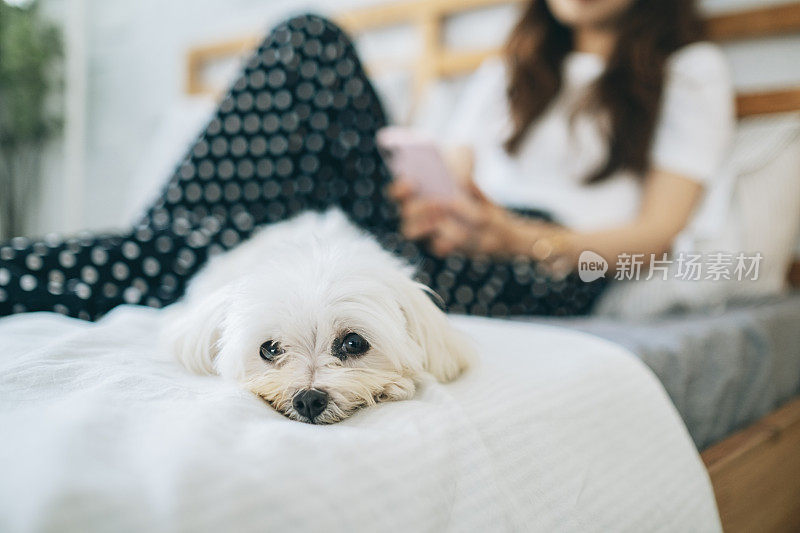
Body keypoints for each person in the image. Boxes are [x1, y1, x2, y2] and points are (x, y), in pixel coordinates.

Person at [0, 0, 733, 321]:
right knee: (305, 45)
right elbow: (455, 173)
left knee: (290, 231)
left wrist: (513, 235)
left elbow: (656, 237)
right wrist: (439, 201)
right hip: (461, 242)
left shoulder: (689, 69)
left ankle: (67, 268)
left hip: (552, 265)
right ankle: (131, 261)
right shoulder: (509, 73)